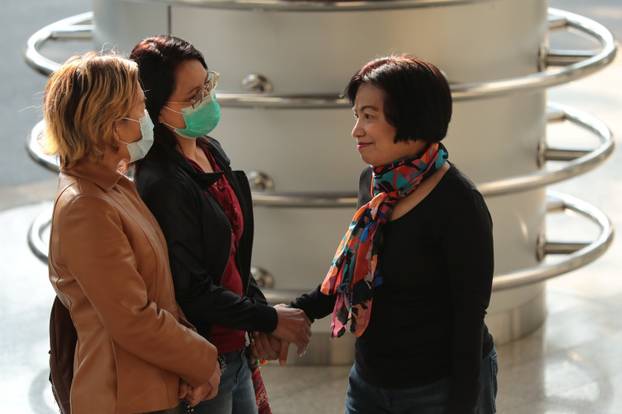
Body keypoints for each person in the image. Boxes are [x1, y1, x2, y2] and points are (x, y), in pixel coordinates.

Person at [280, 55, 498, 414]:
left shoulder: (459, 204)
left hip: (437, 388)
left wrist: (462, 404)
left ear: (411, 117)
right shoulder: (375, 183)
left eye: (369, 116)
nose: (356, 131)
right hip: (369, 383)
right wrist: (295, 312)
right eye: (356, 116)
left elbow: (468, 317)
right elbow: (356, 269)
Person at [129, 36, 311, 414]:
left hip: (235, 345)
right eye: (193, 96)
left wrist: (257, 315)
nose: (207, 102)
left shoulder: (208, 148)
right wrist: (270, 318)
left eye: (207, 86)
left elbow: (231, 252)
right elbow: (191, 289)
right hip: (203, 361)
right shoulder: (161, 182)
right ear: (157, 108)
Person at [44, 52, 221, 414]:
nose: (147, 118)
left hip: (150, 388)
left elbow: (158, 295)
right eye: (139, 109)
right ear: (111, 124)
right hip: (124, 398)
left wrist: (188, 364)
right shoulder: (86, 207)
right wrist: (204, 361)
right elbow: (133, 319)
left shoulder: (113, 186)